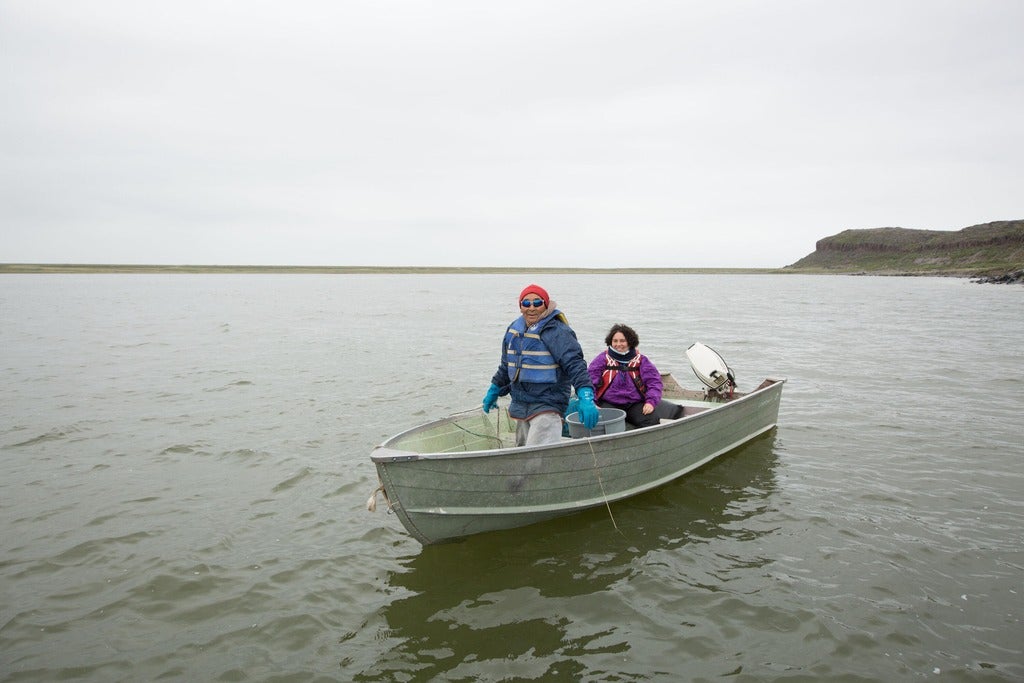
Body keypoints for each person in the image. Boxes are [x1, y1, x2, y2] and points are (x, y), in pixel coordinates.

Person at [482, 284, 600, 446]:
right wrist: (494, 389)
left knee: (537, 459)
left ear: (545, 305)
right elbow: (506, 365)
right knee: (521, 455)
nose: (531, 308)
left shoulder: (557, 331)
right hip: (521, 405)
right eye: (526, 303)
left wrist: (586, 396)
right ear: (520, 306)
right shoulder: (514, 330)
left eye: (537, 303)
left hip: (548, 405)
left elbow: (575, 364)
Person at [587, 323, 666, 429]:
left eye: (622, 341)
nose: (618, 344)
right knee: (603, 423)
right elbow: (590, 381)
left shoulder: (641, 360)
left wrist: (650, 403)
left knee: (651, 420)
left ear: (630, 342)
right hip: (609, 403)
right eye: (615, 341)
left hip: (634, 404)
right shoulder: (602, 359)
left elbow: (654, 382)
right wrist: (591, 402)